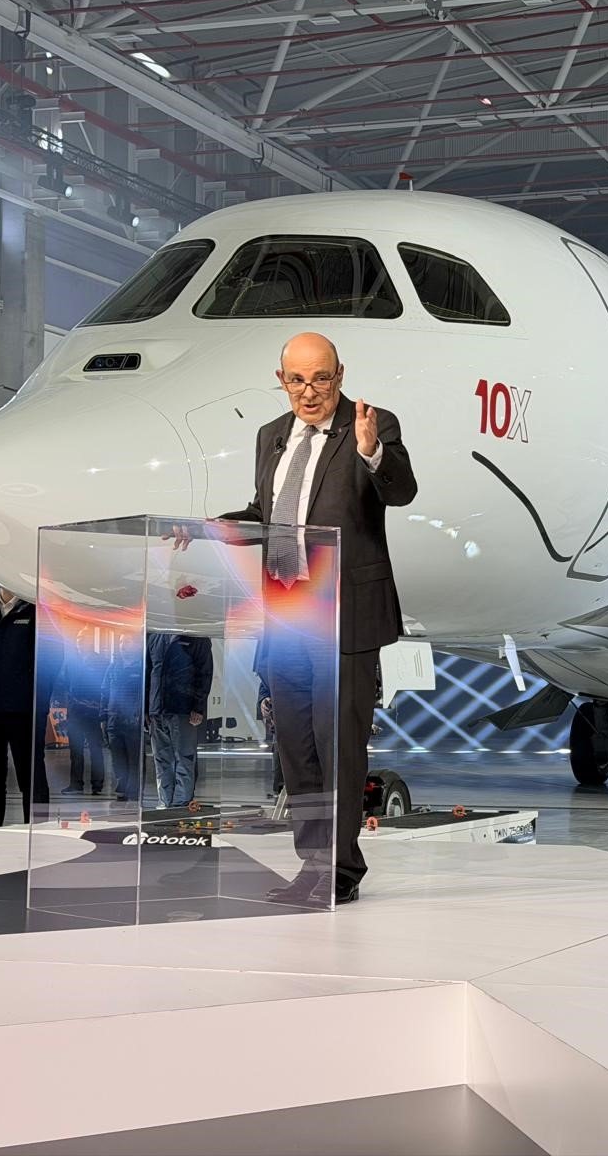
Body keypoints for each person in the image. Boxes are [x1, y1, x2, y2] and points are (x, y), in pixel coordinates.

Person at [222, 331, 417, 906]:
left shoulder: (370, 424)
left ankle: (341, 870)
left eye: (321, 378)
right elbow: (266, 512)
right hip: (286, 614)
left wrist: (372, 453)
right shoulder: (271, 436)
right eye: (297, 380)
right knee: (297, 749)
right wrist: (216, 528)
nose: (309, 392)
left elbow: (402, 490)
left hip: (343, 616)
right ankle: (312, 863)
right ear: (281, 381)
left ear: (340, 375)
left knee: (338, 748)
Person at [0, 583, 47, 826]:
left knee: (31, 779)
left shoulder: (35, 608)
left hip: (23, 709)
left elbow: (51, 660)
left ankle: (38, 832)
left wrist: (38, 702)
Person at [146, 632, 211, 808]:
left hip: (183, 709)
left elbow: (204, 674)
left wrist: (198, 706)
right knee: (161, 759)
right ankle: (165, 803)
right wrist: (146, 708)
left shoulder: (197, 637)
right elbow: (148, 672)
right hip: (157, 708)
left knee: (184, 759)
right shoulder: (155, 637)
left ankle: (181, 804)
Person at [99, 631, 144, 803]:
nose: (123, 646)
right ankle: (122, 789)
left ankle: (134, 791)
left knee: (134, 758)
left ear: (137, 645)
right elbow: (104, 693)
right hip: (113, 720)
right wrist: (103, 717)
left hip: (133, 721)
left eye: (127, 642)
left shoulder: (142, 668)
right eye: (121, 642)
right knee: (118, 758)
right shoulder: (113, 668)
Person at [61, 629, 107, 796]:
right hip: (75, 713)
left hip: (93, 713)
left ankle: (97, 784)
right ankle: (76, 785)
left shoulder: (100, 662)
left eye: (83, 638)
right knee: (76, 750)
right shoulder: (71, 662)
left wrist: (101, 710)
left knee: (96, 749)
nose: (80, 641)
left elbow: (104, 687)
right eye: (78, 638)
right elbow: (65, 685)